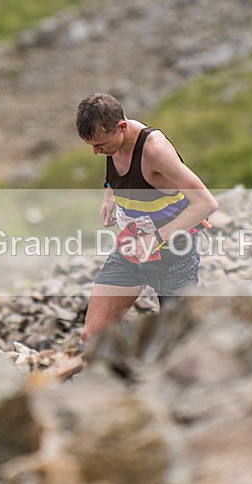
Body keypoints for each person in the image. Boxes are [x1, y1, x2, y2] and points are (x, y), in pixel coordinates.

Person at [75, 93, 218, 341]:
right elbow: (116, 161)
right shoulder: (115, 136)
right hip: (132, 247)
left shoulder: (155, 152)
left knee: (175, 341)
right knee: (92, 335)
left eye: (100, 145)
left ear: (122, 127)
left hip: (175, 254)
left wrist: (155, 238)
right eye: (91, 146)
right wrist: (110, 193)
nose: (96, 152)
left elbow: (206, 203)